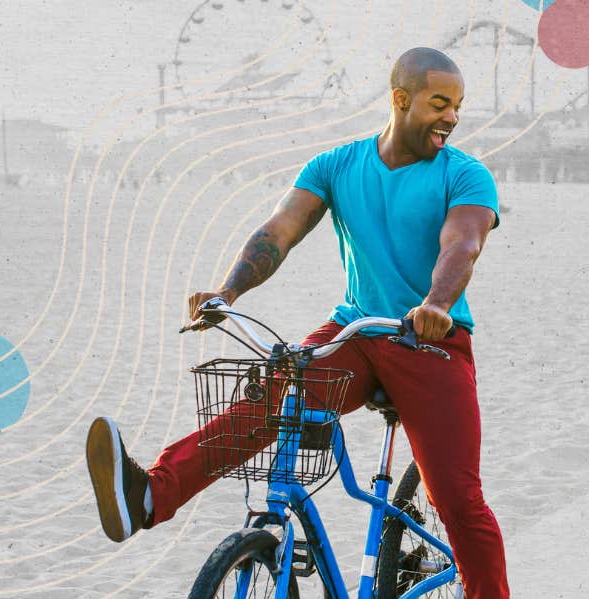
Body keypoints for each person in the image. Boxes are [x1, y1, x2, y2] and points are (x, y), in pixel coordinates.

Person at [85, 47, 510, 598]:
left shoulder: (466, 175)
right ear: (401, 101)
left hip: (432, 341)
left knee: (457, 499)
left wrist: (435, 304)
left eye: (457, 106)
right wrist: (228, 291)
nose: (452, 117)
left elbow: (463, 244)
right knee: (272, 402)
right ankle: (149, 496)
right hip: (355, 333)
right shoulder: (334, 166)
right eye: (439, 104)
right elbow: (278, 232)